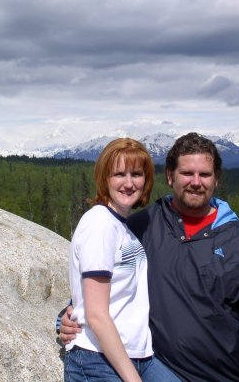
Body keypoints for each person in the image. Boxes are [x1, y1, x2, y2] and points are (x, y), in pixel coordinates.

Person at [60, 132, 239, 382]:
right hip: (158, 367)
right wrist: (68, 316)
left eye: (204, 174)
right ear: (170, 176)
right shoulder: (143, 227)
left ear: (216, 179)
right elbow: (103, 284)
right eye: (187, 173)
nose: (196, 182)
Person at [64, 138, 181, 382]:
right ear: (105, 178)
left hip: (139, 356)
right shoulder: (100, 224)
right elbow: (96, 314)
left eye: (136, 174)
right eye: (119, 174)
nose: (129, 183)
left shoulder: (122, 227)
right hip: (97, 357)